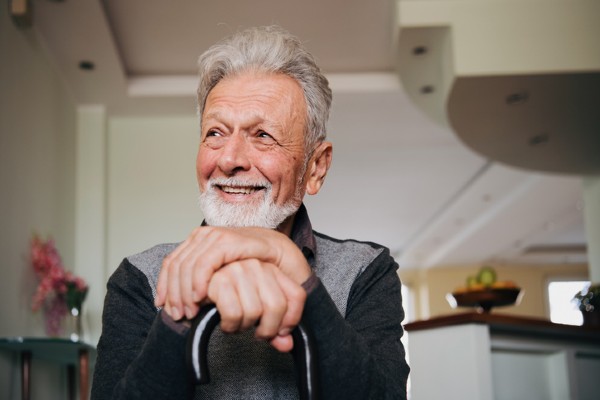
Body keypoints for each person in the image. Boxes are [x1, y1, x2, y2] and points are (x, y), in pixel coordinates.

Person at [91, 26, 409, 400]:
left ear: (316, 168)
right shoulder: (140, 279)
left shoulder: (366, 271)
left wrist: (301, 283)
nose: (229, 159)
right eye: (215, 133)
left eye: (262, 135)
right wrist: (179, 312)